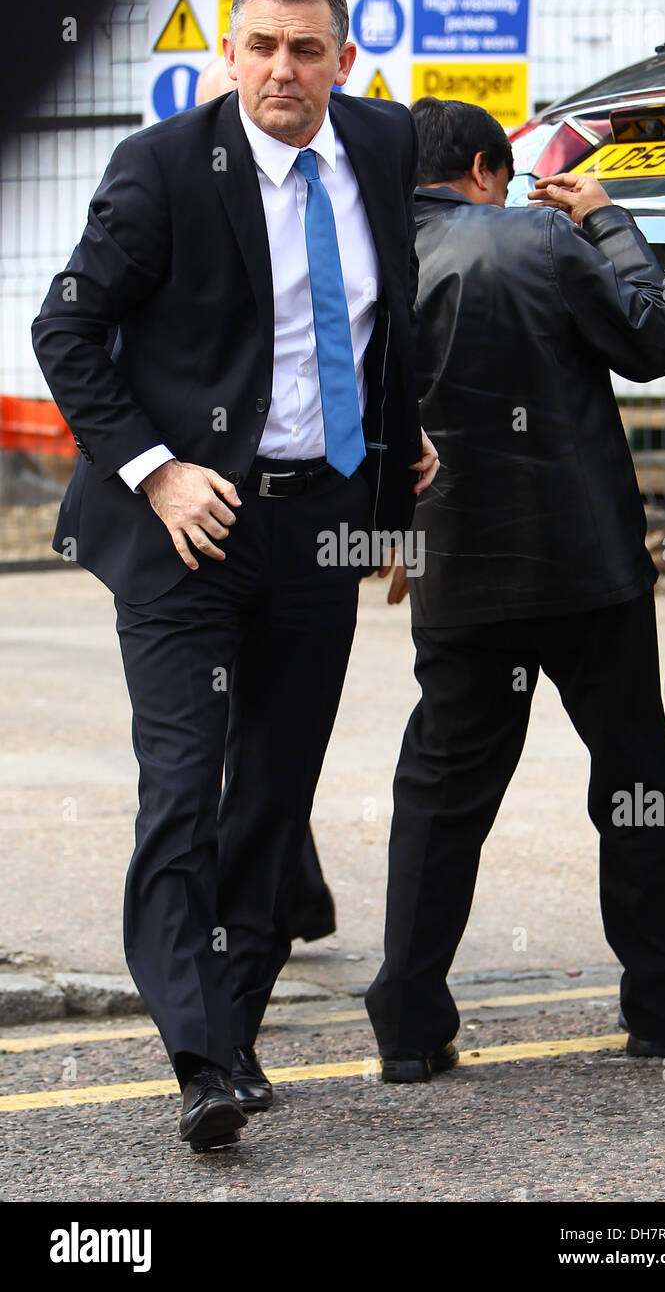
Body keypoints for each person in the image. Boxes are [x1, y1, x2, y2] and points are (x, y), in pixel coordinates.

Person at [32, 0, 438, 1150]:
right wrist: (153, 467)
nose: (281, 70)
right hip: (183, 528)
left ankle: (239, 1020)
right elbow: (66, 326)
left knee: (272, 791)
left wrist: (400, 442)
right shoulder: (162, 169)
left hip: (318, 521)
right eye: (260, 46)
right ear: (229, 53)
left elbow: (381, 315)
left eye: (306, 50)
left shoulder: (380, 143)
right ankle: (201, 1058)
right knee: (184, 788)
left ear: (343, 61)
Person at [366, 97, 665, 1082]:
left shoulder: (371, 255)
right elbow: (649, 341)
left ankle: (409, 1030)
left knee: (442, 787)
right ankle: (656, 1014)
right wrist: (604, 218)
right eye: (504, 178)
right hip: (585, 564)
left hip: (455, 566)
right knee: (634, 774)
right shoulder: (536, 236)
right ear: (481, 166)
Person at [194, 50, 337, 948]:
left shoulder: (312, 200)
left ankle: (289, 893)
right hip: (194, 508)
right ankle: (273, 901)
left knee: (271, 725)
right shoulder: (171, 198)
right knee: (211, 733)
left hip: (298, 505)